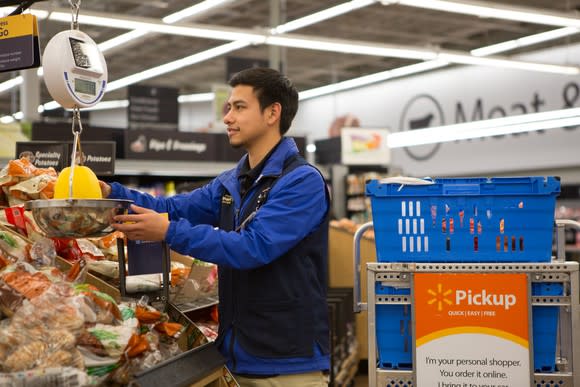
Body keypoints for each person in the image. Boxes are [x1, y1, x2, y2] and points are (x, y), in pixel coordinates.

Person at [101, 67, 331, 386]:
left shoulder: (302, 182)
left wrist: (167, 232)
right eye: (228, 108)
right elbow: (171, 207)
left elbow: (252, 247)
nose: (227, 117)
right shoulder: (230, 184)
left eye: (239, 107)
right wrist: (112, 193)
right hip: (234, 358)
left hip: (287, 365)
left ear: (272, 113)